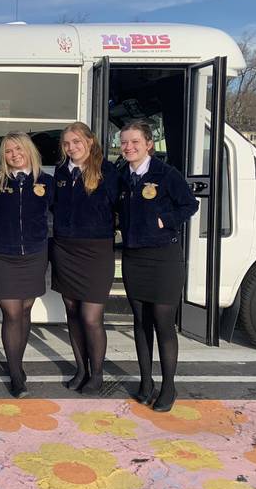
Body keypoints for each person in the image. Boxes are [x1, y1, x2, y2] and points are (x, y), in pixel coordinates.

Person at [118, 121, 198, 412]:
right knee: (141, 322)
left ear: (149, 144)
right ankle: (146, 381)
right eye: (124, 142)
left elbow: (189, 204)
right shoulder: (122, 175)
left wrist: (165, 220)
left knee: (163, 322)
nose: (129, 147)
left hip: (163, 258)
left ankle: (168, 386)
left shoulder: (166, 174)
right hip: (134, 258)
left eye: (135, 142)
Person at [51, 122, 119, 395]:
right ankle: (81, 369)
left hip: (96, 251)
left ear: (90, 142)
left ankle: (97, 373)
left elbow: (120, 205)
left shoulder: (108, 171)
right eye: (67, 143)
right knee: (72, 313)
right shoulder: (60, 172)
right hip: (65, 249)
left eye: (77, 141)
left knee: (91, 317)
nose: (71, 147)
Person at [0, 132, 54, 398]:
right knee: (12, 313)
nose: (14, 155)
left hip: (35, 253)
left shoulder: (46, 182)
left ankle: (18, 361)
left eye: (19, 149)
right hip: (3, 254)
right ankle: (15, 374)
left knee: (26, 310)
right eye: (8, 151)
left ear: (29, 150)